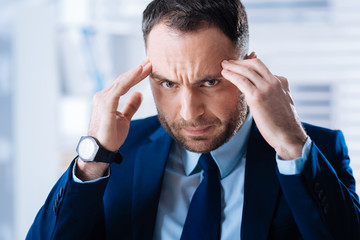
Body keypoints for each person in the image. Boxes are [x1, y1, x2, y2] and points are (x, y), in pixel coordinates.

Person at [27, 0, 360, 239]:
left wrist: (290, 142)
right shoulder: (117, 152)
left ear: (252, 69)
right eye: (168, 83)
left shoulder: (312, 152)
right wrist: (92, 159)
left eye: (210, 82)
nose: (189, 112)